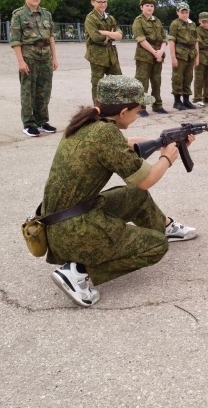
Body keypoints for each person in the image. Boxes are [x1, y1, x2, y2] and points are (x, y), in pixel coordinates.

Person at [42, 75, 198, 308]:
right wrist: (168, 156)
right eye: (137, 110)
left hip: (59, 223)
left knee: (135, 197)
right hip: (74, 231)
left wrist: (160, 141)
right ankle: (78, 273)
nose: (138, 115)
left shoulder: (89, 122)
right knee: (155, 246)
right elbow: (145, 180)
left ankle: (164, 226)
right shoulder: (105, 134)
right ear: (123, 111)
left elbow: (125, 145)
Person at [10, 0, 59, 137]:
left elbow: (51, 37)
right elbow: (16, 41)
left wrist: (54, 58)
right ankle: (29, 123)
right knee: (28, 91)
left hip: (45, 56)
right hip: (29, 55)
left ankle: (42, 121)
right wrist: (20, 61)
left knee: (44, 90)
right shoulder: (18, 15)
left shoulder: (46, 14)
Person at [83, 0, 122, 104]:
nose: (103, 4)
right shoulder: (90, 18)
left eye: (104, 2)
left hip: (111, 55)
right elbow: (96, 37)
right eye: (99, 2)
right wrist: (112, 35)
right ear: (93, 2)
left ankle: (115, 107)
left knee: (118, 81)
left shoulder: (110, 18)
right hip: (97, 55)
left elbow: (120, 34)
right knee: (98, 84)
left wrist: (106, 33)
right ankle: (98, 109)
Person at [131, 0, 168, 116]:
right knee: (142, 82)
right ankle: (140, 107)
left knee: (157, 81)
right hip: (144, 55)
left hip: (158, 55)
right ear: (141, 7)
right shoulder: (138, 21)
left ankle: (157, 105)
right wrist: (154, 52)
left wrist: (161, 52)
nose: (150, 8)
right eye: (147, 5)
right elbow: (141, 39)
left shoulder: (157, 21)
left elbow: (164, 38)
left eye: (152, 6)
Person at [168, 2, 199, 110]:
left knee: (188, 77)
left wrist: (197, 56)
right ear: (178, 12)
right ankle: (177, 101)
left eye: (186, 12)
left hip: (191, 54)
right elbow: (171, 41)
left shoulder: (192, 24)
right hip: (180, 53)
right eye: (182, 12)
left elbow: (196, 41)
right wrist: (173, 57)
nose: (185, 14)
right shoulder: (175, 24)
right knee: (177, 77)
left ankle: (186, 100)